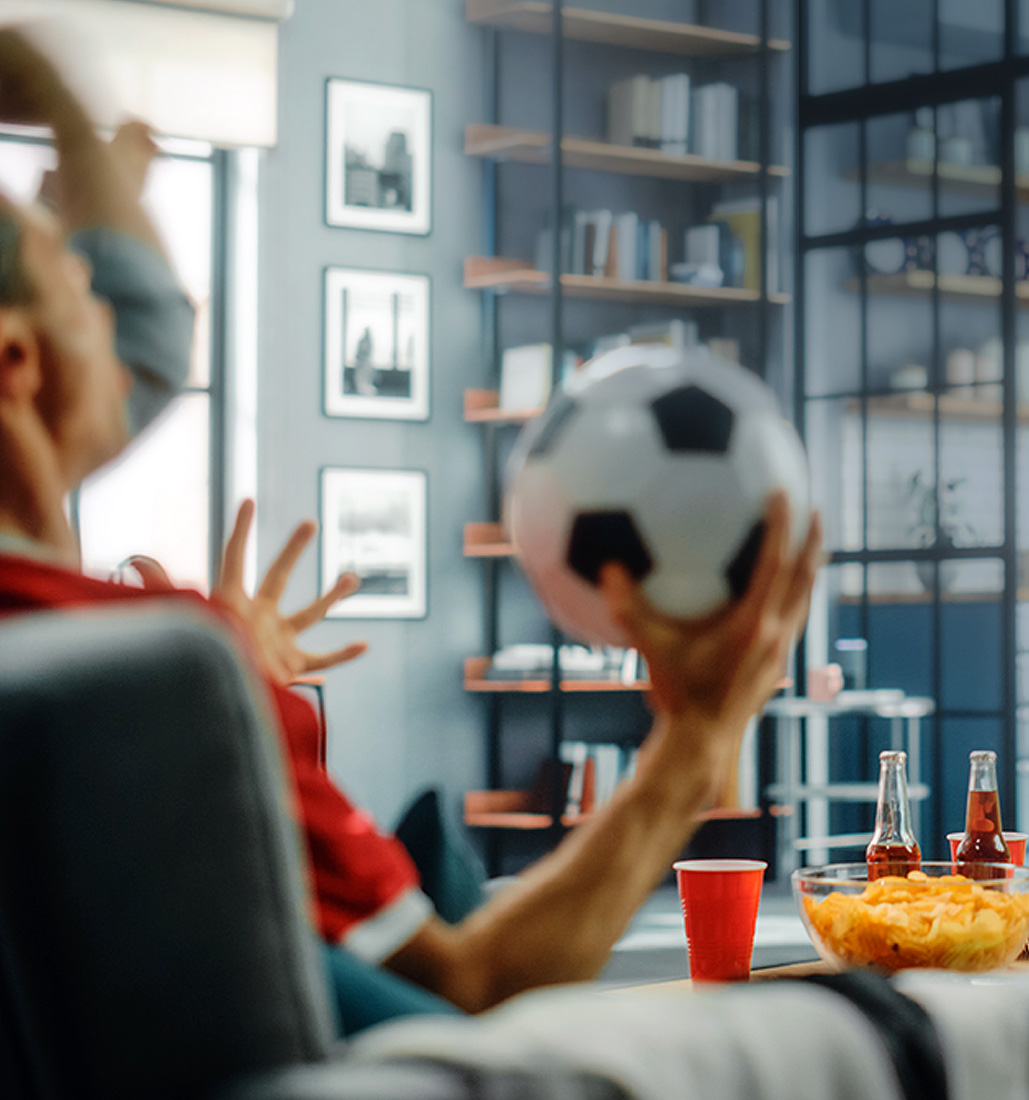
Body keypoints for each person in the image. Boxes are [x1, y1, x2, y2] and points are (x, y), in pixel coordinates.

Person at [0, 33, 824, 1016]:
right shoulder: (166, 663)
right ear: (18, 364)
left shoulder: (58, 638)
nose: (112, 303)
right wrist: (698, 738)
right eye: (76, 285)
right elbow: (470, 982)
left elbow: (149, 330)